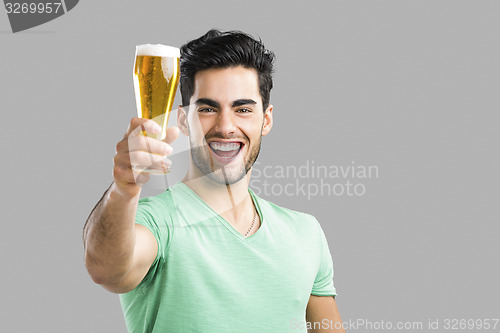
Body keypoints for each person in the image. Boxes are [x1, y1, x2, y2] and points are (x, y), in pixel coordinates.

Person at [83, 29, 345, 333]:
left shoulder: (305, 232)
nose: (225, 126)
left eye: (243, 109)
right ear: (183, 120)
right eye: (207, 109)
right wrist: (124, 187)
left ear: (267, 119)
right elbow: (106, 270)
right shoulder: (155, 222)